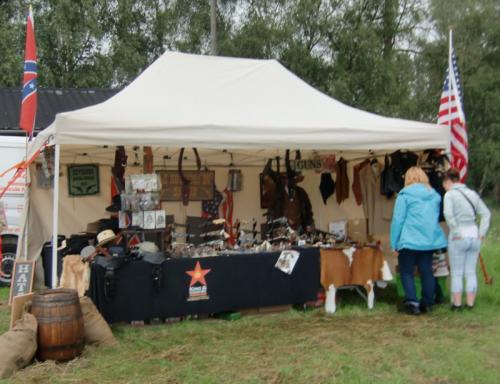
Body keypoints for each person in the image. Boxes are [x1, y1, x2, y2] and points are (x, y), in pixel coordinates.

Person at [390, 167, 447, 315]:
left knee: (407, 272)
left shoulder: (404, 196)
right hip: (429, 241)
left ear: (407, 179)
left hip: (409, 241)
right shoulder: (434, 196)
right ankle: (427, 303)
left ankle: (412, 303)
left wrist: (394, 243)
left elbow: (398, 221)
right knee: (427, 272)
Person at [442, 168, 491, 310]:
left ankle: (457, 304)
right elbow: (486, 214)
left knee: (457, 272)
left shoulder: (450, 195)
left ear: (448, 181)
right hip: (474, 233)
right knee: (470, 271)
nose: (444, 187)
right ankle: (470, 304)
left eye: (444, 184)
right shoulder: (472, 194)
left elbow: (448, 215)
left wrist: (456, 231)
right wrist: (481, 233)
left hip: (459, 235)